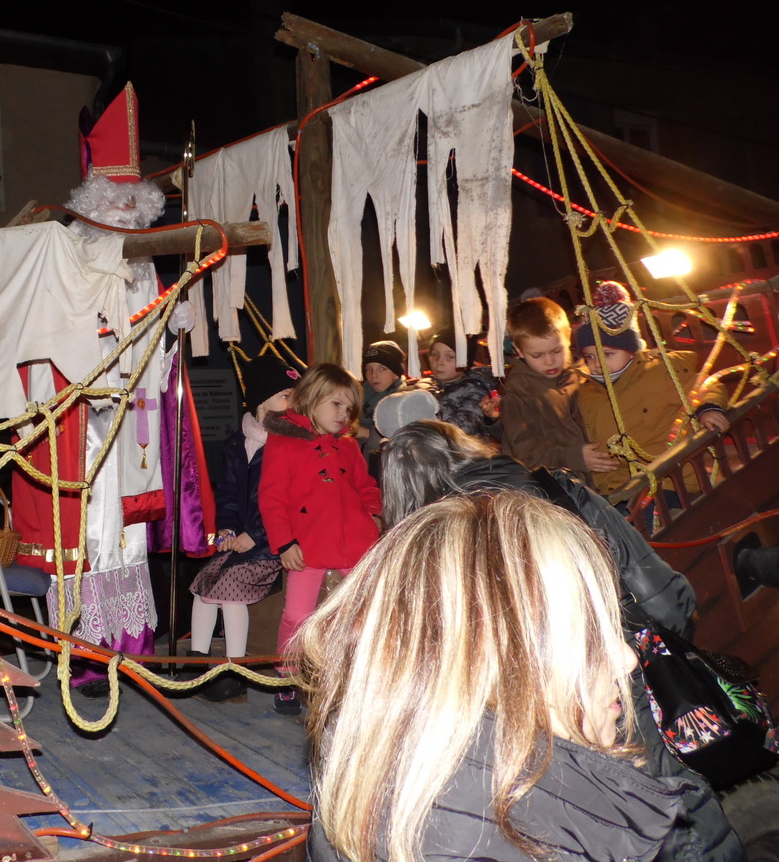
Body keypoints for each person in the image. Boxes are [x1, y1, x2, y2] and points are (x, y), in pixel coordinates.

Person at [378, 420, 743, 862]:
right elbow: (664, 599)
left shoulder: (414, 552)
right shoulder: (554, 490)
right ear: (467, 446)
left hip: (505, 725)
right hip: (605, 685)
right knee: (667, 806)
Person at [297, 491, 686, 862]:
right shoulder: (489, 836)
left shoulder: (389, 777)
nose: (626, 659)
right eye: (588, 634)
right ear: (494, 663)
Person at [259, 362, 381, 715]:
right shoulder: (283, 443)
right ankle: (287, 677)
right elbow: (272, 497)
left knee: (365, 612)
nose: (343, 415)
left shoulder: (348, 447)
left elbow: (366, 486)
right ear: (311, 399)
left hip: (356, 544)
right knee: (297, 615)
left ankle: (363, 676)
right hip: (308, 545)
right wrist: (284, 543)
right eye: (336, 404)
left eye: (349, 408)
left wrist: (374, 513)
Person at [188, 353, 298, 702]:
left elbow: (287, 501)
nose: (291, 402)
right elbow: (229, 493)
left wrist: (256, 535)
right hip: (244, 541)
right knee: (204, 584)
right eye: (285, 395)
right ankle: (198, 659)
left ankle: (235, 668)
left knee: (230, 588)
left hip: (273, 542)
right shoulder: (239, 443)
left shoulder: (290, 443)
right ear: (262, 400)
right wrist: (227, 529)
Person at [573, 281, 729, 497]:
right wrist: (579, 456)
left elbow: (702, 386)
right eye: (590, 356)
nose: (597, 363)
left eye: (607, 354)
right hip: (617, 484)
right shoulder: (585, 392)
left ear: (632, 351)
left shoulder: (658, 373)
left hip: (670, 479)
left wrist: (708, 408)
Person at [501, 295, 608, 486]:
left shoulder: (583, 374)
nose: (549, 361)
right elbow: (524, 453)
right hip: (560, 488)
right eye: (537, 355)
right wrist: (572, 457)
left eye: (557, 351)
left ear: (568, 336)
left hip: (600, 481)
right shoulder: (518, 393)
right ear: (519, 350)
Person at [423, 325, 501, 441]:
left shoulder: (475, 390)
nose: (439, 362)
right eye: (435, 355)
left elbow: (461, 430)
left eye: (450, 357)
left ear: (464, 361)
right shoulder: (423, 387)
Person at [355, 340, 408, 442]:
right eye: (368, 369)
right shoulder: (357, 395)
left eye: (382, 369)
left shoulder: (404, 402)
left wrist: (364, 433)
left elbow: (402, 439)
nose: (374, 375)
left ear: (396, 373)